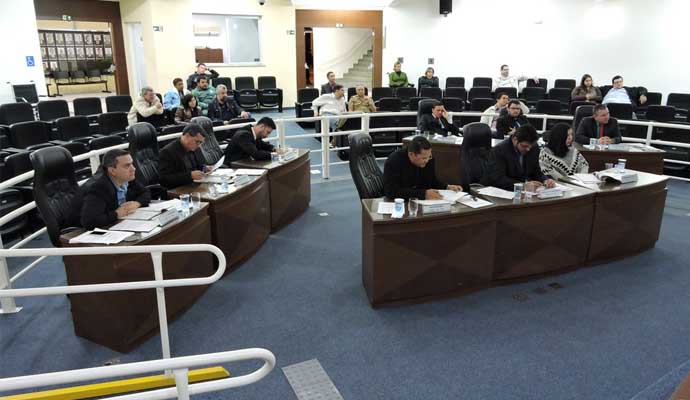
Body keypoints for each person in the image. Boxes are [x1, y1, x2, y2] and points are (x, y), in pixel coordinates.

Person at [80, 149, 151, 230]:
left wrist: (137, 203)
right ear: (112, 170)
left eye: (132, 164)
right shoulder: (99, 187)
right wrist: (116, 214)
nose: (133, 169)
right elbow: (89, 221)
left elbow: (145, 192)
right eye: (127, 166)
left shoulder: (126, 177)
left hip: (119, 223)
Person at [383, 136, 462, 200]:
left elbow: (432, 181)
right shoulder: (394, 161)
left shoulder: (428, 159)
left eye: (429, 156)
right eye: (424, 158)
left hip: (422, 202)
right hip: (400, 203)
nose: (427, 161)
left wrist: (447, 187)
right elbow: (391, 191)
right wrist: (423, 194)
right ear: (411, 154)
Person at [484, 124, 556, 191]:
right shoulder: (499, 150)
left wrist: (545, 180)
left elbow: (536, 171)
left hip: (524, 192)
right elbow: (498, 179)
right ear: (515, 140)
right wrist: (522, 186)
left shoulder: (534, 147)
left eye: (530, 146)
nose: (528, 149)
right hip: (503, 191)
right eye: (524, 146)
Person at [159, 123, 208, 189]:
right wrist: (190, 175)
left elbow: (199, 165)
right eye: (197, 142)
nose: (199, 145)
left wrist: (205, 168)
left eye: (201, 143)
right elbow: (164, 179)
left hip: (195, 185)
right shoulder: (167, 152)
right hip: (179, 189)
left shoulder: (195, 148)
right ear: (187, 136)